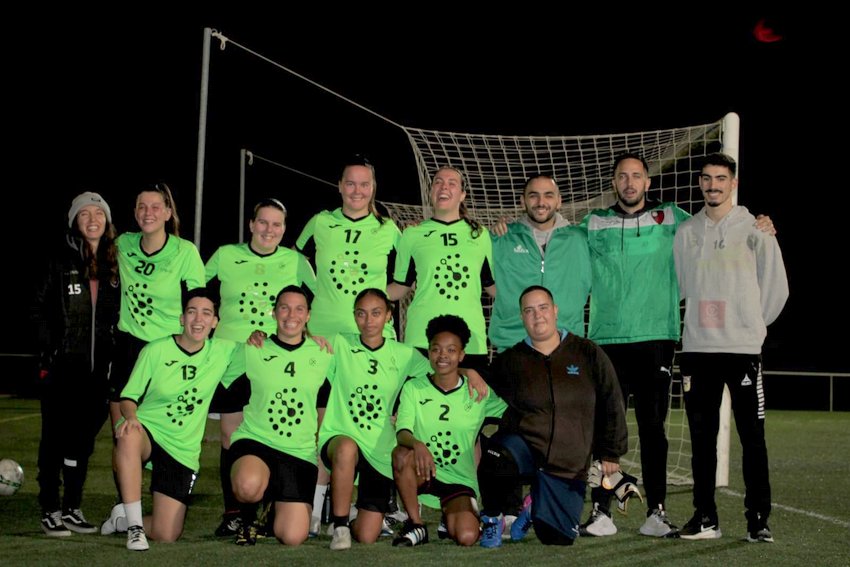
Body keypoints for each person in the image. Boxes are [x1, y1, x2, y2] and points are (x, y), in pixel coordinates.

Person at [577, 153, 775, 538]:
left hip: (658, 337)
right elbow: (555, 236)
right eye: (622, 176)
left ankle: (657, 511)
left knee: (654, 429)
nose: (630, 182)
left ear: (648, 182)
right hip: (605, 338)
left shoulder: (674, 219)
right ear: (614, 183)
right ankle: (601, 510)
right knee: (605, 430)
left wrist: (760, 223)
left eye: (637, 176)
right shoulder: (592, 223)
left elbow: (720, 227)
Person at [674, 153, 788, 543]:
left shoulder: (757, 230)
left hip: (741, 350)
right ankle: (705, 517)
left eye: (720, 179)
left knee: (752, 438)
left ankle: (758, 521)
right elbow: (683, 286)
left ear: (733, 183)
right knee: (701, 440)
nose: (713, 186)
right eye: (706, 179)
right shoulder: (687, 232)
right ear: (700, 183)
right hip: (697, 350)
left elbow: (777, 288)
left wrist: (749, 325)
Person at [296, 155, 402, 533]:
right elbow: (294, 260)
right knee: (323, 424)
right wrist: (316, 297)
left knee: (376, 423)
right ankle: (316, 509)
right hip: (325, 342)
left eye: (365, 184)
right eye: (351, 183)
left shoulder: (389, 230)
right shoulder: (320, 223)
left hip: (373, 343)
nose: (357, 191)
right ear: (339, 186)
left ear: (374, 189)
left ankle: (376, 505)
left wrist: (377, 305)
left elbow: (405, 280)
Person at [476, 285, 627, 547]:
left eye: (543, 308)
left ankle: (532, 507)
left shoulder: (587, 353)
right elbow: (480, 387)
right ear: (522, 317)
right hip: (527, 451)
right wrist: (469, 372)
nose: (538, 316)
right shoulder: (511, 360)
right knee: (495, 455)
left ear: (555, 311)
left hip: (569, 463)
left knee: (556, 538)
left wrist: (610, 452)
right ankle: (491, 518)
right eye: (529, 311)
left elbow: (611, 401)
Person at [204, 197, 316, 537]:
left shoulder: (295, 261)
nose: (269, 229)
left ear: (284, 229)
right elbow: (195, 290)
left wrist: (315, 339)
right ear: (251, 225)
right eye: (263, 222)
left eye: (277, 224)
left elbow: (315, 303)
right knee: (230, 436)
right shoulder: (225, 255)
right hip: (231, 360)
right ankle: (235, 512)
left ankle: (269, 503)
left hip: (273, 360)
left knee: (273, 430)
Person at [102, 182, 206, 534]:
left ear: (167, 212)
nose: (148, 212)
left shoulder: (184, 252)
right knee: (124, 435)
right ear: (135, 213)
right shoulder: (123, 246)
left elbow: (199, 304)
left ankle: (160, 499)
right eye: (141, 206)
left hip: (166, 354)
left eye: (155, 206)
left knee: (164, 427)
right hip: (129, 350)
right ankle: (126, 509)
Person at [109, 288, 238, 551]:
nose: (198, 319)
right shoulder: (155, 350)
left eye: (206, 313)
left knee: (167, 533)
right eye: (192, 312)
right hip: (150, 432)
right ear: (182, 318)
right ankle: (135, 529)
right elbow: (127, 397)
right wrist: (131, 417)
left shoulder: (225, 351)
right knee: (128, 432)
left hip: (181, 448)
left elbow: (268, 350)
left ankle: (122, 521)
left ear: (215, 322)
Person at [33, 192, 120, 536]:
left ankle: (72, 506)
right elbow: (36, 309)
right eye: (84, 214)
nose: (92, 219)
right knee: (54, 438)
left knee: (82, 441)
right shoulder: (58, 258)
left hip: (98, 372)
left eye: (98, 213)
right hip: (62, 367)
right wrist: (50, 349)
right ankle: (50, 507)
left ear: (107, 220)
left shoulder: (115, 263)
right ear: (74, 221)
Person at [318, 289, 432, 550]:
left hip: (380, 449)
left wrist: (471, 373)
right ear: (354, 317)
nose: (368, 321)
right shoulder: (339, 344)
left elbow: (439, 374)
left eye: (376, 313)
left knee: (367, 535)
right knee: (346, 448)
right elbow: (301, 351)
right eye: (361, 314)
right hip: (340, 436)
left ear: (389, 317)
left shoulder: (404, 354)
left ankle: (361, 517)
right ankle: (340, 525)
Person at [225, 285, 334, 547]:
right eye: (284, 308)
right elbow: (215, 374)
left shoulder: (323, 354)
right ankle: (248, 520)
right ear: (274, 313)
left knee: (293, 536)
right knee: (248, 485)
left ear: (308, 315)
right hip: (257, 441)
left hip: (298, 451)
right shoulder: (254, 348)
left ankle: (273, 507)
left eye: (299, 309)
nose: (291, 315)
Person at [391, 314, 507, 547]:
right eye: (436, 349)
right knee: (401, 454)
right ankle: (416, 524)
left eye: (451, 350)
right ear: (429, 352)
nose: (442, 356)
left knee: (466, 537)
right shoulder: (414, 388)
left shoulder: (478, 392)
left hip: (459, 478)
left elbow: (509, 411)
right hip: (424, 470)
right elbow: (402, 431)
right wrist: (417, 444)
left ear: (461, 355)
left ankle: (454, 514)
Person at [389, 166, 495, 369]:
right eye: (437, 182)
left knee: (471, 400)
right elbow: (400, 287)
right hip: (422, 339)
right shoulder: (412, 235)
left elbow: (491, 287)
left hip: (470, 341)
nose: (443, 186)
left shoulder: (480, 235)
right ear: (430, 192)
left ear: (462, 194)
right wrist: (363, 294)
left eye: (451, 183)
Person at [489, 174, 591, 351]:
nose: (540, 202)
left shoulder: (581, 240)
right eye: (533, 195)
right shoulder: (502, 239)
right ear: (523, 201)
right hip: (513, 343)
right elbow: (481, 279)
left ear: (559, 201)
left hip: (567, 343)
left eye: (548, 195)